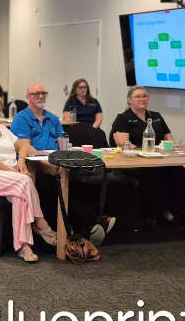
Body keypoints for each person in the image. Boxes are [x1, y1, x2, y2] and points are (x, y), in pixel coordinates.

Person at [11, 83, 115, 244]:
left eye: (43, 93)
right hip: (35, 165)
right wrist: (48, 156)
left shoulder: (52, 118)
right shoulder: (21, 119)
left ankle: (87, 226)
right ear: (28, 97)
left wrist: (68, 153)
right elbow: (25, 147)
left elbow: (63, 141)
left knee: (82, 178)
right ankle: (89, 226)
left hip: (56, 161)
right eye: (36, 94)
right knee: (60, 183)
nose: (41, 96)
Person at [0, 96, 56, 262]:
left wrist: (21, 160)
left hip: (12, 178)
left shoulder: (3, 129)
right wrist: (15, 172)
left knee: (19, 196)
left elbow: (23, 145)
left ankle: (23, 246)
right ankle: (40, 222)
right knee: (25, 181)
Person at [111, 85, 185, 225]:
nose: (142, 99)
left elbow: (169, 139)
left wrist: (162, 149)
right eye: (138, 96)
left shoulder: (156, 116)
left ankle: (170, 208)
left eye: (144, 96)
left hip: (159, 159)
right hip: (135, 163)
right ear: (129, 100)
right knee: (153, 177)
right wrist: (143, 151)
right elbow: (123, 143)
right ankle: (158, 211)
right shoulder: (123, 118)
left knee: (184, 175)